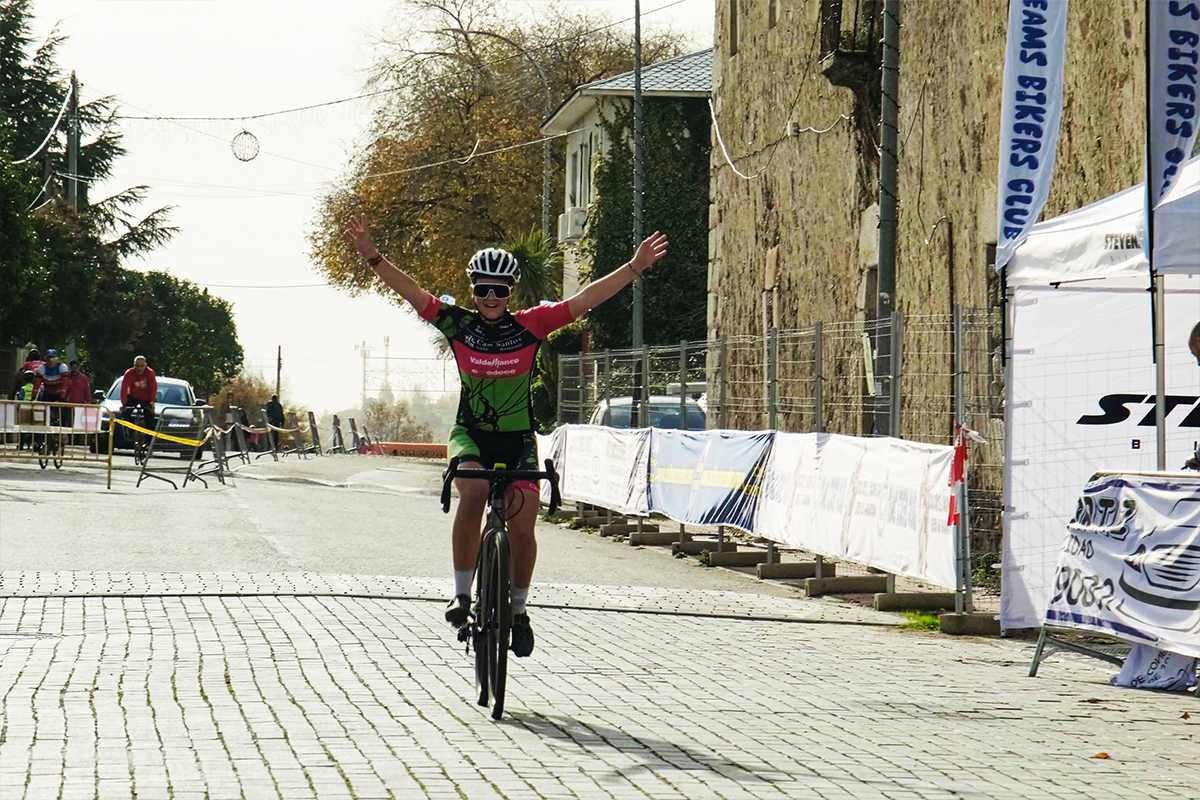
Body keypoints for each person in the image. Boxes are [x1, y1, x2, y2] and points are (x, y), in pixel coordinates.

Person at [344, 216, 669, 657]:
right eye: (483, 289)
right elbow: (413, 293)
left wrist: (633, 268)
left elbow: (584, 299)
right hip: (471, 434)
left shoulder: (531, 326)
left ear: (510, 292)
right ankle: (461, 595)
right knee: (474, 491)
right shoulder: (458, 324)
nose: (491, 297)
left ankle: (518, 610)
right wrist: (372, 256)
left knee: (523, 520)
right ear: (474, 290)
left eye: (499, 289)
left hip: (517, 437)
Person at [120, 355, 158, 434]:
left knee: (150, 418)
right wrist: (124, 403)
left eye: (142, 366)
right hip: (133, 397)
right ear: (134, 365)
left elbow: (153, 388)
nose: (139, 368)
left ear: (145, 365)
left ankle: (148, 441)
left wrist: (152, 401)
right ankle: (131, 430)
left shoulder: (150, 373)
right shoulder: (129, 373)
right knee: (125, 413)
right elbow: (124, 389)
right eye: (137, 366)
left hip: (146, 398)